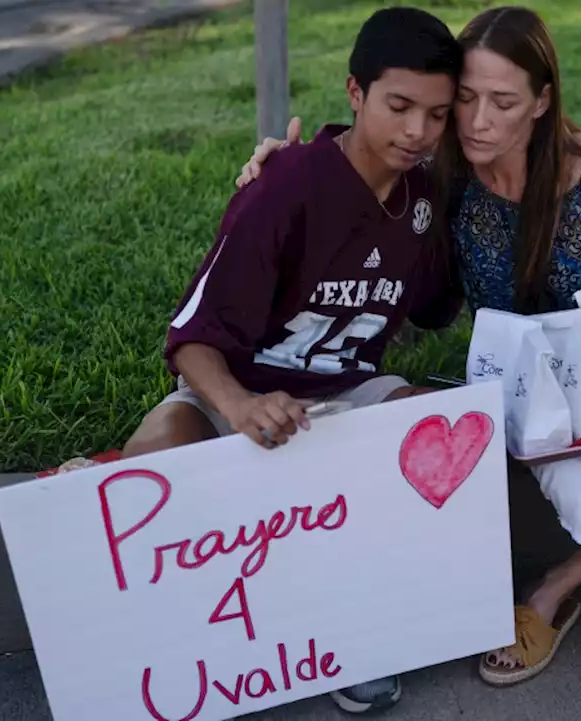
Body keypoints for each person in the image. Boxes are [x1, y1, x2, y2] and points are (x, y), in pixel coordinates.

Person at [236, 7, 581, 720]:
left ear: (542, 102)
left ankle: (552, 589)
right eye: (467, 99)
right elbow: (362, 157)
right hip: (530, 397)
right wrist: (279, 170)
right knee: (570, 470)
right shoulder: (443, 186)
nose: (477, 121)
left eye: (504, 102)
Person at [118, 7, 464, 715]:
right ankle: (180, 651)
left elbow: (434, 306)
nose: (417, 133)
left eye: (437, 115)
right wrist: (240, 405)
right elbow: (191, 338)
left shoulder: (424, 198)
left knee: (430, 432)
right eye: (399, 107)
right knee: (147, 462)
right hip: (239, 387)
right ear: (354, 93)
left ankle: (353, 634)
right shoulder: (285, 187)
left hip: (347, 389)